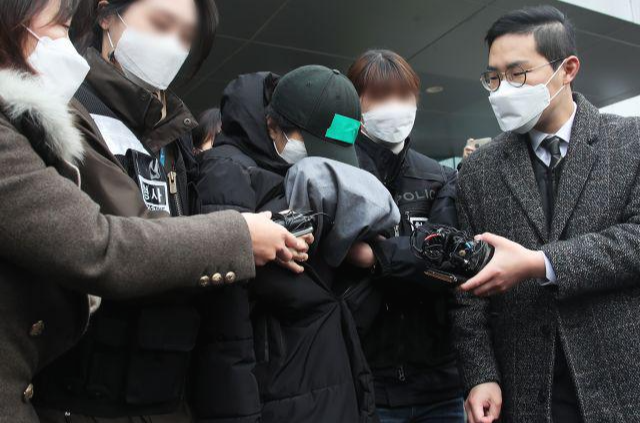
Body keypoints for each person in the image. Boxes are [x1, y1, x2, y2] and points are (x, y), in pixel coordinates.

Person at [0, 1, 307, 422]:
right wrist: (239, 236)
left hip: (166, 391)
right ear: (106, 16)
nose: (172, 46)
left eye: (185, 37)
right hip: (84, 393)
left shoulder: (174, 132)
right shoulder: (64, 113)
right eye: (161, 24)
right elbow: (108, 244)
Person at [452, 5, 640, 423]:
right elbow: (466, 291)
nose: (502, 90)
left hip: (621, 379)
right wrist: (481, 375)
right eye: (493, 77)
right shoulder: (479, 171)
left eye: (518, 74)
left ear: (567, 69)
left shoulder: (630, 142)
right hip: (524, 389)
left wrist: (542, 263)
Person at [192, 66, 379, 423]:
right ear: (272, 126)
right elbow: (225, 326)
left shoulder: (288, 168)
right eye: (316, 147)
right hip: (275, 392)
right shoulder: (228, 172)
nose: (322, 162)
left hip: (321, 380)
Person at [344, 49, 463, 423]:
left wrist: (375, 257)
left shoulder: (438, 176)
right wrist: (414, 255)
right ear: (355, 103)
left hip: (439, 383)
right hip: (364, 381)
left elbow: (446, 259)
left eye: (403, 95)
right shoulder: (338, 173)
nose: (394, 106)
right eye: (380, 97)